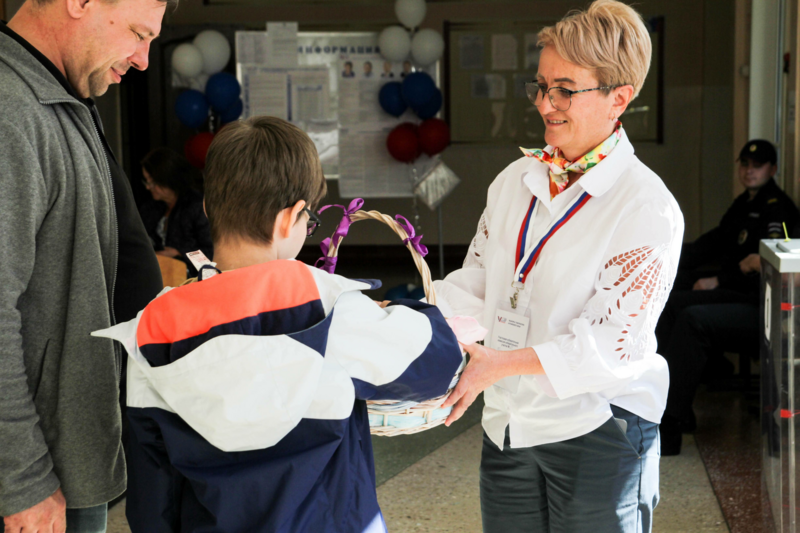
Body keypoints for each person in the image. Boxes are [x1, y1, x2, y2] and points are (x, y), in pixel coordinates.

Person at [93, 116, 465, 533]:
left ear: (208, 207)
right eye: (310, 221)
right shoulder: (326, 303)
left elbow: (152, 493)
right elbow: (439, 362)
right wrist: (401, 309)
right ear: (291, 218)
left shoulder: (154, 324)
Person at [433, 1, 683, 531]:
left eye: (565, 90)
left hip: (599, 426)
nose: (546, 104)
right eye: (542, 86)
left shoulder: (646, 206)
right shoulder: (514, 181)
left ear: (619, 99)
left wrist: (498, 364)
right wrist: (418, 320)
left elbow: (610, 345)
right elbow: (477, 283)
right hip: (508, 423)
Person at [0, 0, 169, 531]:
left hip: (72, 457)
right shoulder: (11, 113)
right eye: (138, 33)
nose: (143, 59)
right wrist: (22, 478)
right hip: (35, 478)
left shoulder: (60, 98)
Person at [656, 139, 800, 455]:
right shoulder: (745, 203)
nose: (749, 171)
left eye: (758, 166)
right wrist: (664, 256)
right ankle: (678, 396)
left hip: (758, 302)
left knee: (690, 317)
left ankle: (672, 420)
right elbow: (714, 243)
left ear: (773, 169)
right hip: (736, 290)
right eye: (745, 165)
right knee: (670, 298)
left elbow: (767, 268)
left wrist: (719, 279)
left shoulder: (777, 208)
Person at [139, 147, 212, 277]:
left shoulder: (197, 206)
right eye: (146, 181)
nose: (148, 187)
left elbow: (211, 254)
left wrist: (179, 253)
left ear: (168, 178)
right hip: (159, 275)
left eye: (153, 182)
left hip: (192, 279)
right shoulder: (151, 208)